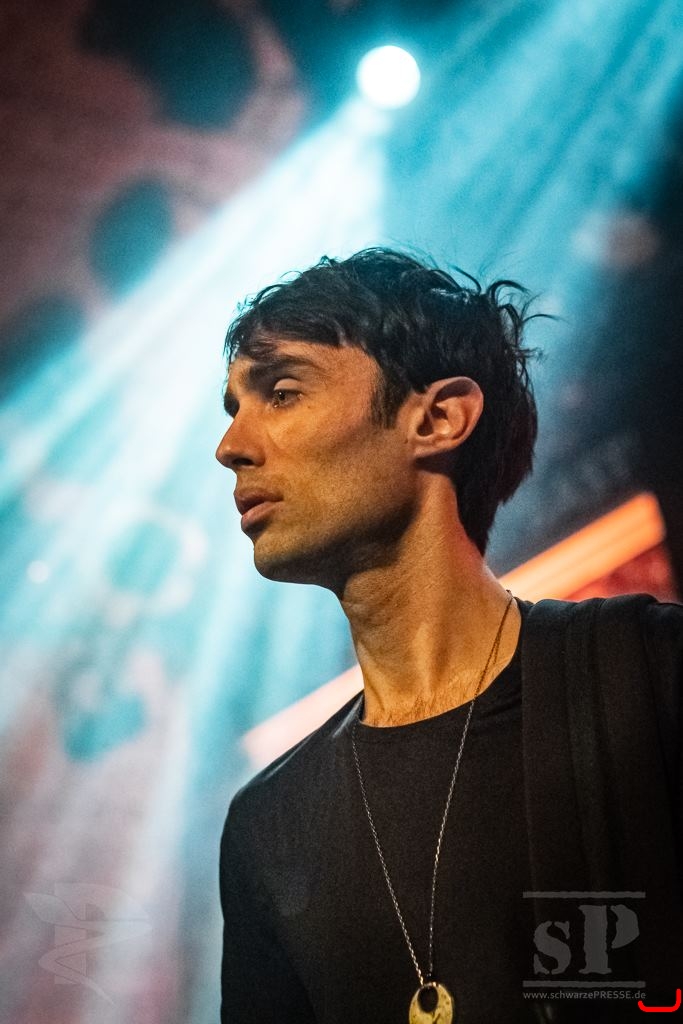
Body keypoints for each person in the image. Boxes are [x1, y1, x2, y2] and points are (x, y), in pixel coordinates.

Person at [215, 248, 682, 1023]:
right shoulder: (269, 826)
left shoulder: (649, 673)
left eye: (282, 392)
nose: (230, 445)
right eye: (232, 408)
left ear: (437, 418)